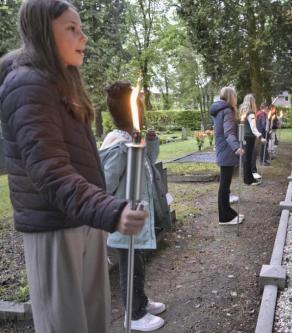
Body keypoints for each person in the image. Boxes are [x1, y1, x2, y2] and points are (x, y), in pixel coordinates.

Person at [0, 1, 148, 332]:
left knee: (93, 320)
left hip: (83, 219)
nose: (84, 37)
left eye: (80, 28)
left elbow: (74, 155)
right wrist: (111, 210)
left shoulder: (60, 81)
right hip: (54, 228)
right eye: (71, 28)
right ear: (42, 32)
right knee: (65, 325)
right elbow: (50, 171)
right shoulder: (27, 85)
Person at [99, 81, 166, 331]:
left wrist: (151, 142)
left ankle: (141, 302)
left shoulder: (132, 139)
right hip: (123, 220)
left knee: (137, 264)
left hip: (136, 217)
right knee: (130, 268)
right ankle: (134, 315)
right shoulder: (118, 145)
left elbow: (148, 162)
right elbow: (105, 184)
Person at [209, 87, 245, 225]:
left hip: (223, 149)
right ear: (231, 96)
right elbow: (228, 133)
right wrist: (236, 147)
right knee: (224, 185)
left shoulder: (219, 109)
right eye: (235, 96)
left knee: (225, 185)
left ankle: (228, 212)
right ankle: (224, 218)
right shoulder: (227, 111)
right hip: (227, 150)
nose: (236, 98)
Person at [239, 94, 266, 185]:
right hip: (249, 137)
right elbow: (253, 128)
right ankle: (248, 180)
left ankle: (248, 179)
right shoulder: (250, 113)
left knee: (246, 159)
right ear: (252, 102)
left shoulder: (243, 112)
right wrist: (261, 137)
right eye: (254, 100)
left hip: (244, 137)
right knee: (248, 159)